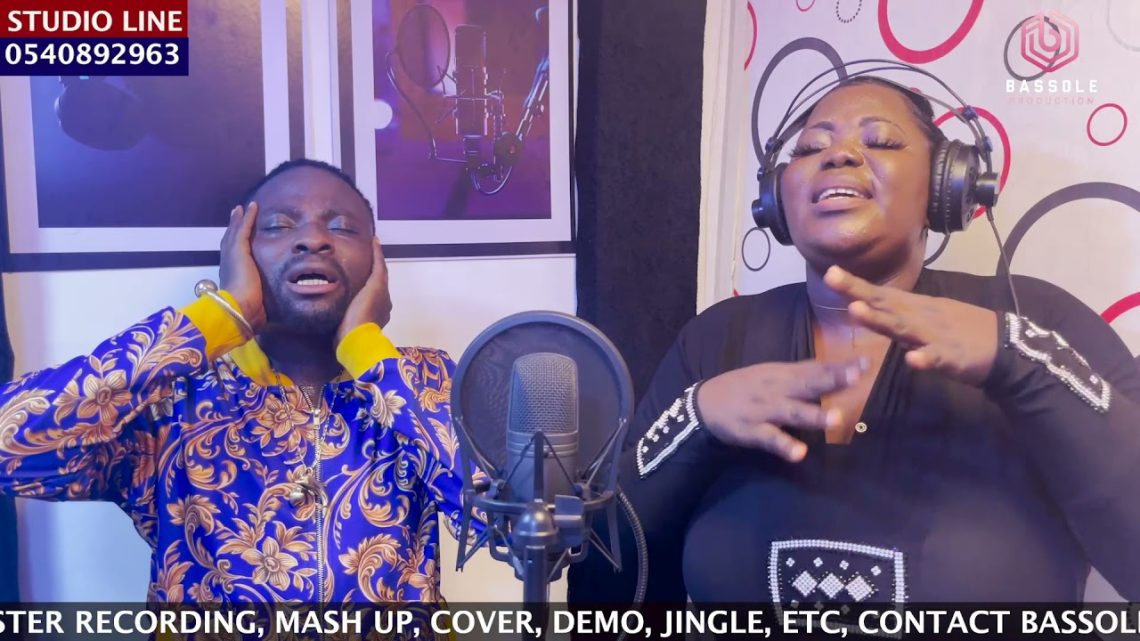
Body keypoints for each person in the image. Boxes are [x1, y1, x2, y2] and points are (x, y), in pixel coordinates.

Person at [568, 77, 1140, 608]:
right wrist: (696, 422)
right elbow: (604, 585)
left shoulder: (1038, 320)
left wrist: (1022, 361)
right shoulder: (718, 339)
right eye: (812, 147)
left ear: (947, 185)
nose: (838, 155)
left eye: (881, 141)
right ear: (776, 199)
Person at [0, 159, 473, 603]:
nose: (313, 240)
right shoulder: (173, 399)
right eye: (279, 226)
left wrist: (367, 350)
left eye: (342, 227)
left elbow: (503, 521)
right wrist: (221, 317)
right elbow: (10, 447)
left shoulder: (420, 381)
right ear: (236, 253)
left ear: (376, 260)